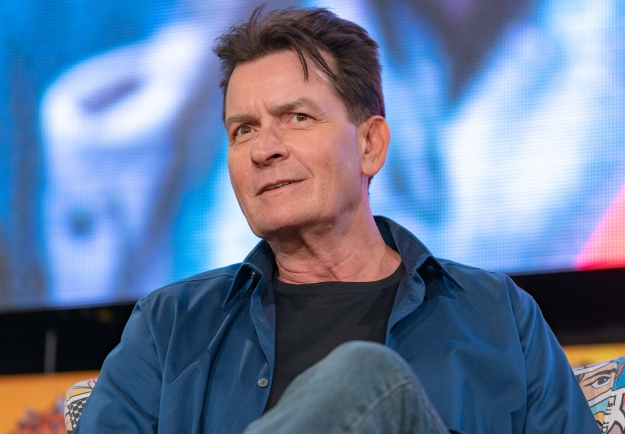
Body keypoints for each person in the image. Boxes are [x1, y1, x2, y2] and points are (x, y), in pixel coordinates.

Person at [75, 6, 599, 433]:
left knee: (366, 378)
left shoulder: (498, 315)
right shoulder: (171, 327)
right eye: (242, 130)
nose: (263, 149)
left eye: (297, 118)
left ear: (370, 145)